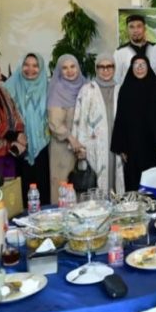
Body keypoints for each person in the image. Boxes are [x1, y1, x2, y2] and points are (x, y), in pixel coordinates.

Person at [73, 54, 124, 194]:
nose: (105, 70)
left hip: (117, 144)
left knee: (115, 179)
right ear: (96, 68)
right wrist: (80, 147)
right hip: (94, 145)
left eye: (109, 66)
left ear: (114, 68)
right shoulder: (87, 89)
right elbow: (80, 118)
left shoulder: (120, 89)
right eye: (101, 67)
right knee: (96, 181)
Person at [5, 53, 50, 205]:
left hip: (44, 144)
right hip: (18, 144)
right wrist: (16, 135)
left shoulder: (48, 87)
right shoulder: (9, 87)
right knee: (22, 188)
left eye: (35, 65)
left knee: (43, 186)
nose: (30, 69)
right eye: (26, 64)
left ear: (41, 68)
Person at [111, 55, 156, 191]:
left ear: (148, 67)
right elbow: (120, 118)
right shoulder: (125, 89)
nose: (139, 67)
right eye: (136, 64)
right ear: (131, 68)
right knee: (133, 182)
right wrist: (122, 147)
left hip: (153, 145)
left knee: (153, 183)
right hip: (132, 146)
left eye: (143, 64)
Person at [47, 54, 86, 204]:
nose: (69, 71)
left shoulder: (85, 85)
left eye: (72, 66)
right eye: (64, 68)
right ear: (59, 71)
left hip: (82, 144)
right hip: (63, 146)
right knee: (62, 185)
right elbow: (55, 123)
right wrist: (72, 140)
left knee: (82, 184)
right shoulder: (58, 89)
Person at [114, 14, 156, 83]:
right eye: (131, 27)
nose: (135, 30)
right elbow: (116, 78)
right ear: (127, 30)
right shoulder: (120, 52)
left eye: (139, 26)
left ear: (144, 29)